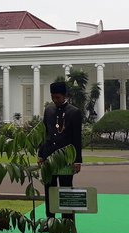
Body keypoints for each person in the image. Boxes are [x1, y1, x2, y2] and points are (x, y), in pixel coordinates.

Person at [37, 81, 83, 223]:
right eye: (53, 97)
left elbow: (77, 137)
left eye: (57, 97)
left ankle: (67, 221)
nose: (55, 100)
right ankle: (50, 220)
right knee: (49, 190)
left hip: (66, 157)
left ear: (64, 96)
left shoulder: (74, 112)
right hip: (49, 156)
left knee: (65, 190)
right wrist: (40, 154)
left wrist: (77, 160)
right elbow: (43, 133)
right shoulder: (49, 110)